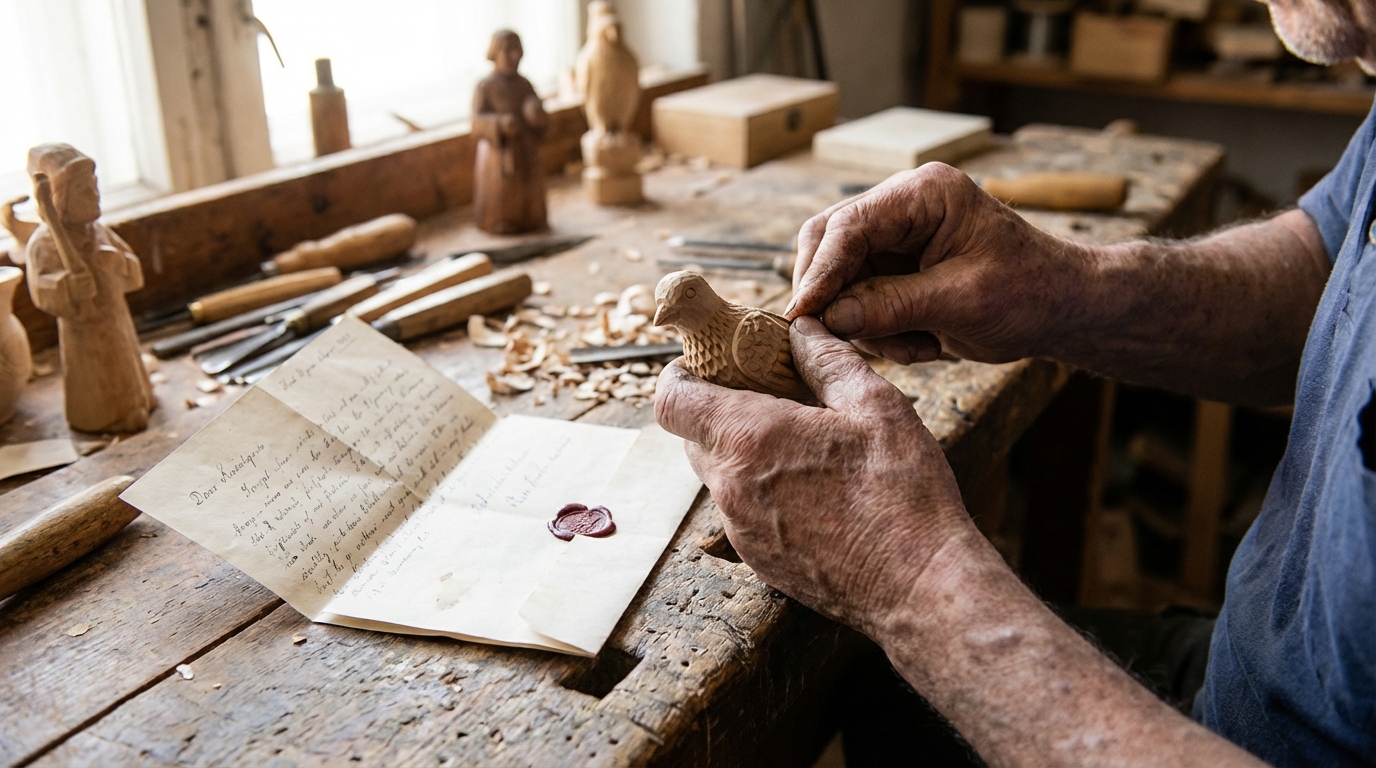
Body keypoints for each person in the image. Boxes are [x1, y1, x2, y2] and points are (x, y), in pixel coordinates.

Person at [654, 1, 1376, 765]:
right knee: (870, 701)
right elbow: (1324, 269)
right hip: (1260, 669)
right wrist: (1064, 287)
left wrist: (909, 578)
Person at [26, 144, 154, 434]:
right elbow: (40, 291)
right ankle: (102, 417)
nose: (96, 196)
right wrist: (68, 287)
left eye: (96, 187)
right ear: (60, 199)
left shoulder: (101, 232)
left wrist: (118, 264)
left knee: (127, 370)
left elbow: (135, 277)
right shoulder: (44, 244)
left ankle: (139, 401)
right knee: (97, 378)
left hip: (117, 321)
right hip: (84, 335)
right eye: (85, 190)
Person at [472, 29, 549, 235]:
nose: (514, 55)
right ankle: (501, 219)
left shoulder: (524, 85)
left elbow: (541, 119)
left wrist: (536, 114)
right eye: (508, 50)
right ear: (495, 53)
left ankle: (531, 217)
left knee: (529, 191)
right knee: (502, 191)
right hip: (500, 153)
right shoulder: (486, 86)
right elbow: (476, 122)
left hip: (525, 150)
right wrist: (500, 124)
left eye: (517, 49)